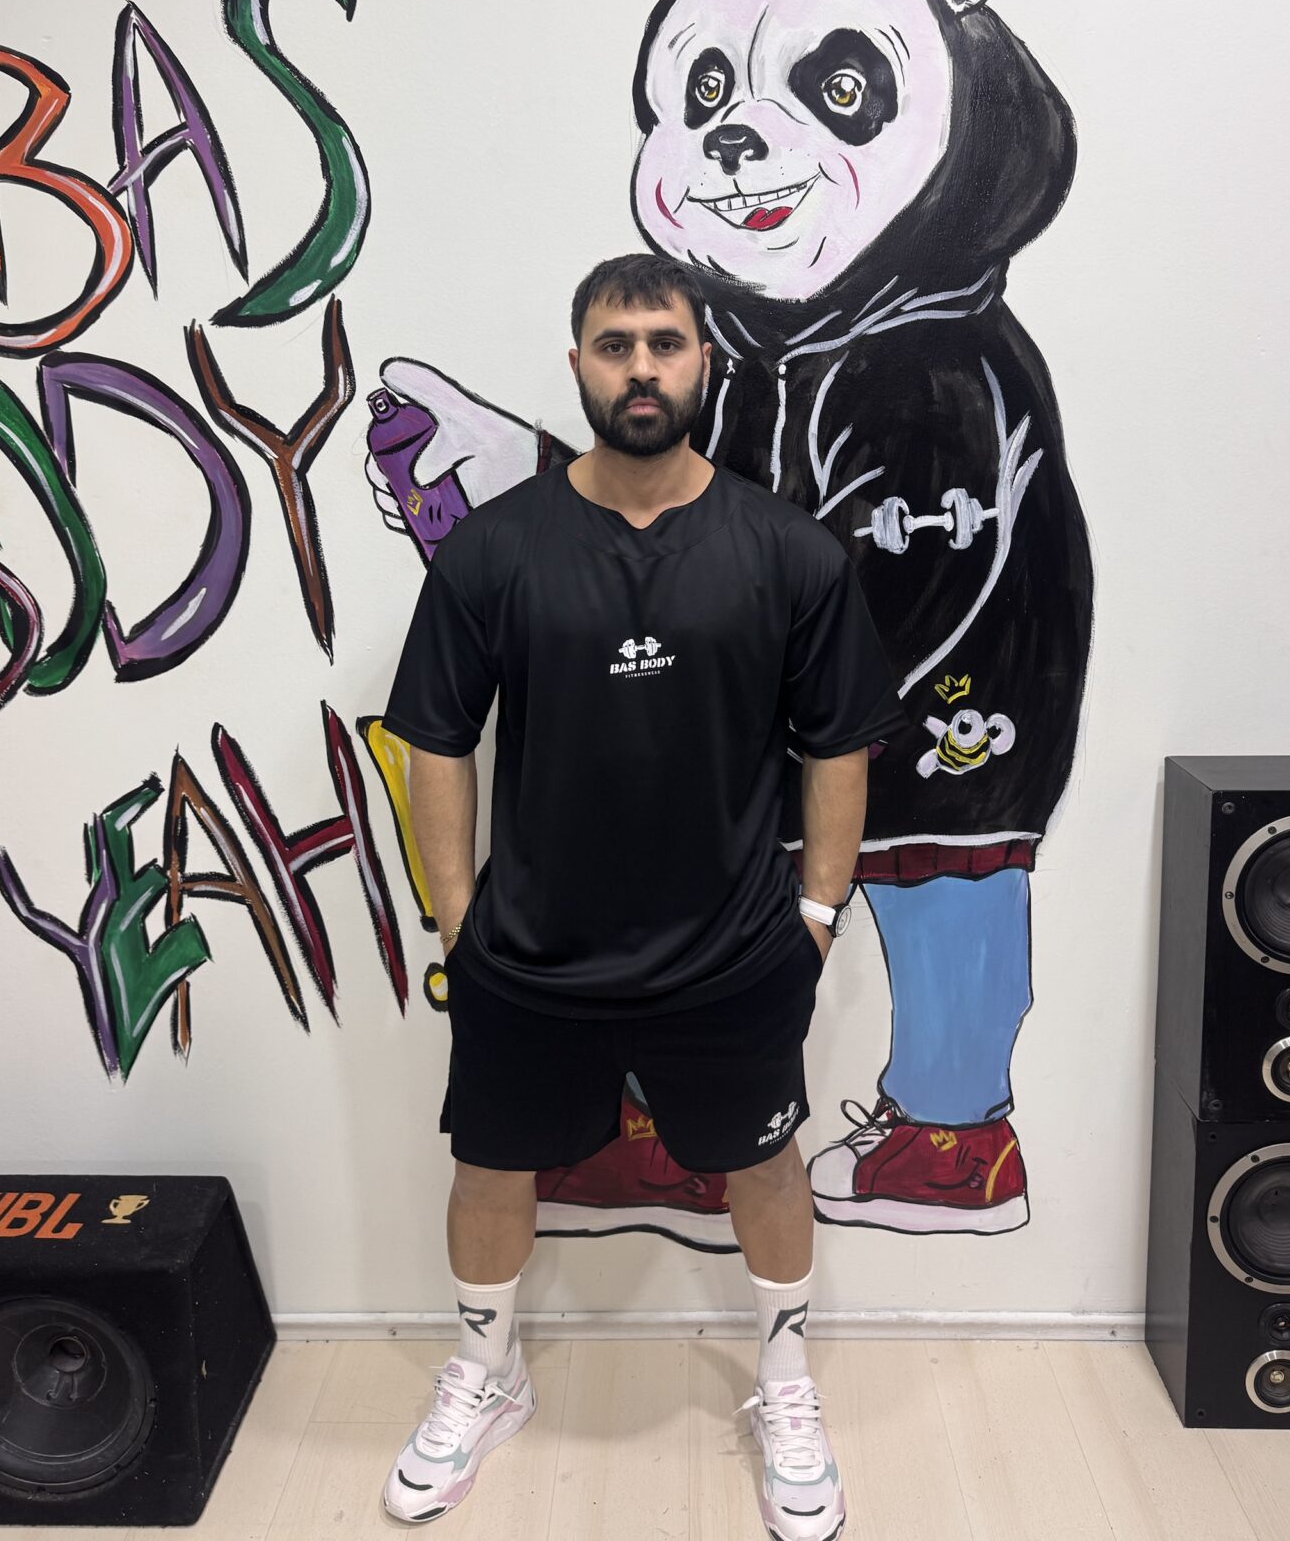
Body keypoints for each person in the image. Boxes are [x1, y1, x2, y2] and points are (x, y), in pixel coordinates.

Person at [379, 252, 908, 1538]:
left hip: (729, 952)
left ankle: (786, 1386)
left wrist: (818, 916)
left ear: (702, 362)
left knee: (766, 1166)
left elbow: (841, 744)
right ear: (577, 365)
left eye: (664, 344)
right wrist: (457, 919)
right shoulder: (497, 549)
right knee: (490, 1166)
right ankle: (486, 1373)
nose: (641, 370)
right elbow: (434, 737)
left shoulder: (788, 552)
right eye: (615, 347)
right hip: (531, 951)